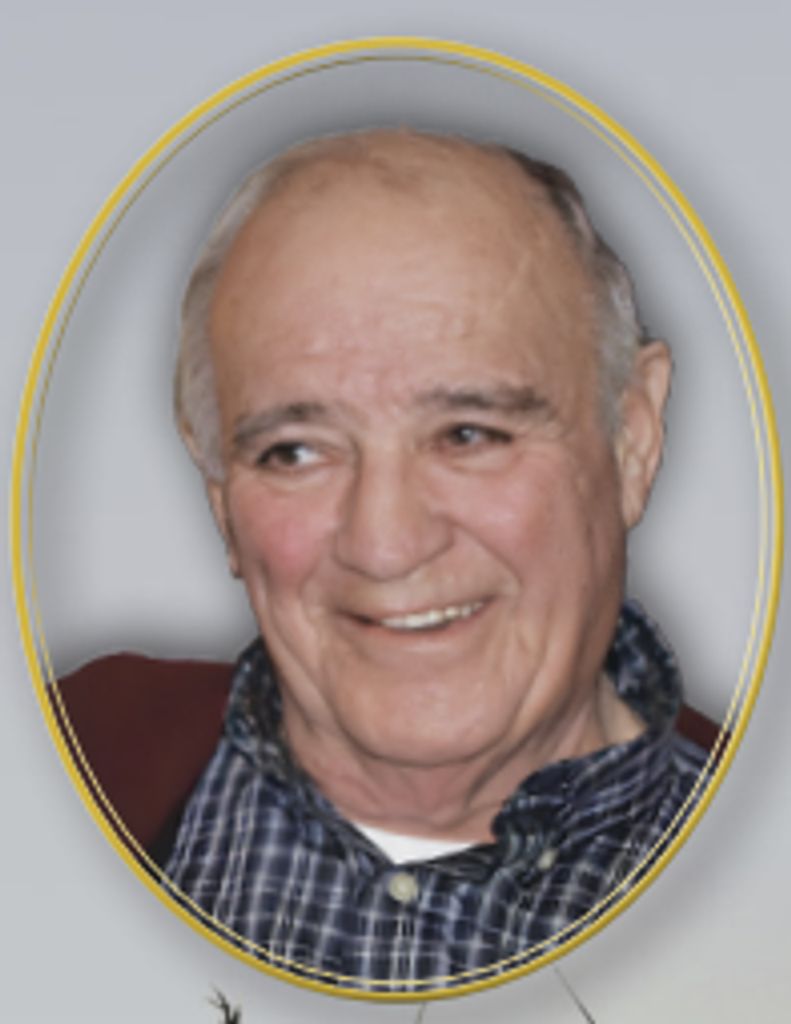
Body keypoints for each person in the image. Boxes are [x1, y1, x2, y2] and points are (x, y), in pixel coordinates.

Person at [160, 128, 709, 990]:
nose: (385, 544)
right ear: (222, 499)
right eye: (295, 452)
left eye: (468, 435)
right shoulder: (61, 779)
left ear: (631, 439)